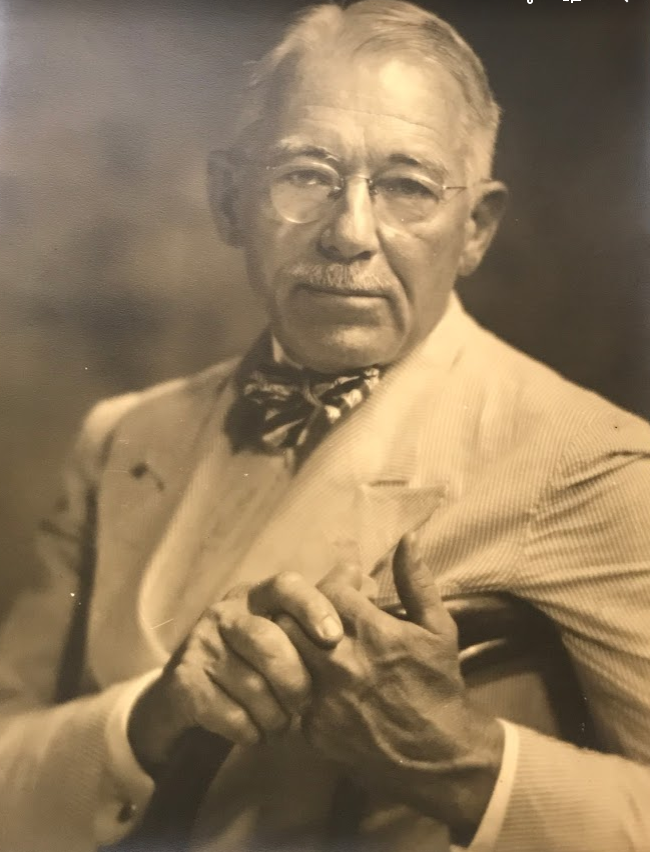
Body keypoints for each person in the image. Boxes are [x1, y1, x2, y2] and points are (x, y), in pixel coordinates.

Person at [1, 1, 650, 850]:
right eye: (305, 174)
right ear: (229, 199)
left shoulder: (586, 460)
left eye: (408, 187)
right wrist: (140, 723)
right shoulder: (122, 436)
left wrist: (466, 762)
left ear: (476, 229)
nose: (350, 234)